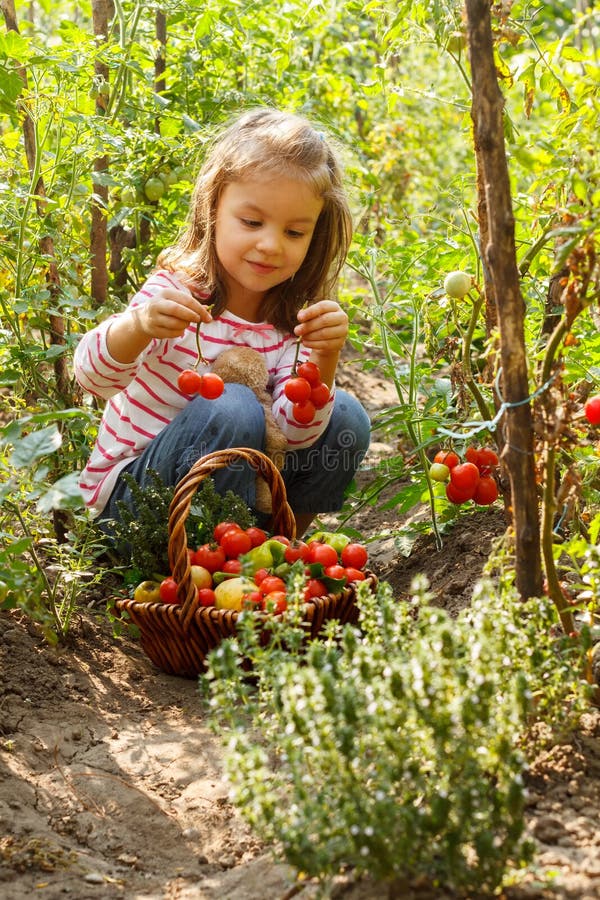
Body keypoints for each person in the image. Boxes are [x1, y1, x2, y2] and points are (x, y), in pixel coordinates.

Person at [74, 107, 370, 539]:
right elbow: (91, 378)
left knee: (347, 418)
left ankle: (278, 550)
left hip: (235, 513)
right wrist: (138, 326)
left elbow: (295, 436)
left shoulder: (293, 325)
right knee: (233, 407)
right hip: (135, 505)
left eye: (294, 232)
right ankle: (204, 563)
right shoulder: (176, 295)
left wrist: (325, 357)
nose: (269, 245)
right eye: (251, 222)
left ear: (315, 235)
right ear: (213, 208)